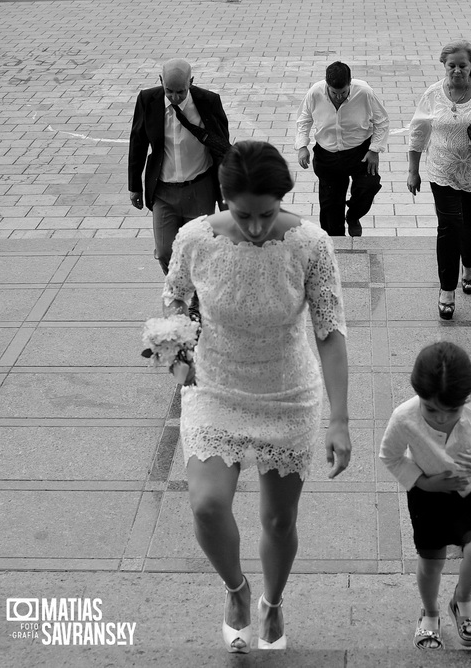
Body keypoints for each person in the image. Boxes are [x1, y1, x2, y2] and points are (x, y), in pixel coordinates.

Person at [161, 141, 351, 653]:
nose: (255, 227)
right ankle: (237, 591)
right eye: (243, 214)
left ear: (284, 200)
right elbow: (176, 300)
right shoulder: (193, 240)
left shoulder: (311, 244)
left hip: (287, 391)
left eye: (266, 214)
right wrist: (176, 346)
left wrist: (340, 419)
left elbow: (330, 332)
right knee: (205, 505)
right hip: (214, 385)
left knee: (278, 519)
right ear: (224, 200)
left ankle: (272, 601)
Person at [379, 342, 471, 649]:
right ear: (418, 395)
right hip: (430, 496)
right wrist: (423, 483)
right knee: (431, 563)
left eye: (451, 410)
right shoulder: (404, 417)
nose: (441, 418)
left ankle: (462, 599)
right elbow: (390, 457)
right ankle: (430, 613)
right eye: (431, 409)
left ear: (466, 397)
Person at [407, 40, 471, 320]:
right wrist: (413, 170)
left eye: (462, 66)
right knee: (448, 227)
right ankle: (446, 290)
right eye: (451, 65)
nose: (456, 71)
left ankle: (469, 264)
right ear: (444, 65)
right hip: (441, 172)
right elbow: (418, 132)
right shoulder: (432, 94)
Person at [129, 58, 230, 274]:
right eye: (169, 91)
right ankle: (180, 288)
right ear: (160, 81)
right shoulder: (147, 100)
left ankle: (194, 301)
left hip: (200, 189)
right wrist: (134, 186)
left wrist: (226, 193)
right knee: (165, 251)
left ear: (191, 82)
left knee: (198, 250)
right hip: (163, 192)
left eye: (181, 92)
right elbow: (138, 143)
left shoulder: (209, 102)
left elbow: (222, 149)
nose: (175, 97)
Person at [295, 61, 389, 237]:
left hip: (359, 151)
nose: (339, 97)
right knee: (330, 205)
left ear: (350, 83)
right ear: (327, 85)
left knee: (369, 186)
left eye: (343, 93)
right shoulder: (315, 92)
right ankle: (335, 243)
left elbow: (382, 121)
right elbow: (304, 119)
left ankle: (353, 216)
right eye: (334, 93)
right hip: (327, 154)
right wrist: (302, 146)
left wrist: (374, 150)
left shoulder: (364, 92)